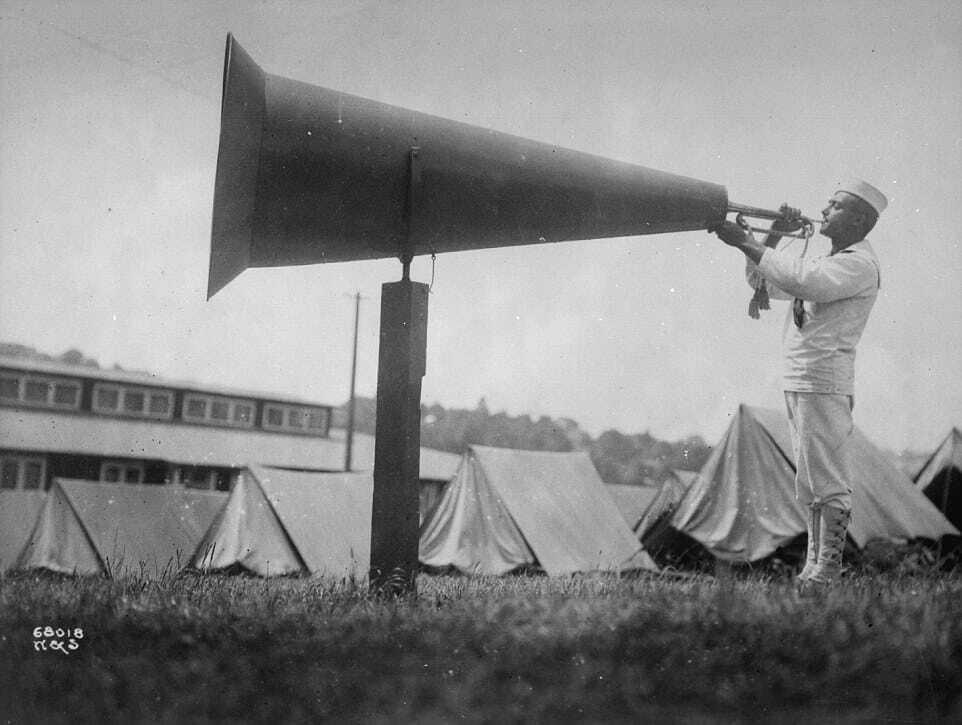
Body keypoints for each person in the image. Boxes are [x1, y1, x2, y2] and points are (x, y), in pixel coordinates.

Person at [711, 179, 887, 586]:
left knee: (827, 477)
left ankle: (828, 568)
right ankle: (815, 566)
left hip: (823, 380)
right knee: (809, 482)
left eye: (835, 205)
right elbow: (766, 282)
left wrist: (745, 240)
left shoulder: (858, 263)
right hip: (802, 378)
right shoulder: (832, 259)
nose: (824, 209)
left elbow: (803, 280)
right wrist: (769, 235)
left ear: (859, 219)